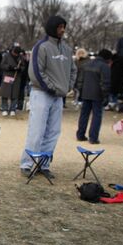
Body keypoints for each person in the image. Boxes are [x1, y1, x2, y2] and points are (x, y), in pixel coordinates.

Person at [19, 16, 76, 178]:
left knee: (53, 132)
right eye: (59, 27)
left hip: (59, 96)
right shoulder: (41, 47)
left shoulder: (67, 49)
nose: (63, 30)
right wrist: (52, 87)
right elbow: (36, 72)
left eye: (64, 27)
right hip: (41, 94)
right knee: (36, 131)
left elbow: (73, 70)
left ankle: (44, 164)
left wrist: (67, 87)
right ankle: (27, 163)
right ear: (52, 28)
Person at [76, 49, 112, 144]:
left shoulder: (86, 64)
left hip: (85, 93)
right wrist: (106, 96)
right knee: (96, 116)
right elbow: (105, 83)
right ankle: (93, 137)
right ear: (107, 58)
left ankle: (80, 134)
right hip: (98, 94)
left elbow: (80, 80)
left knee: (84, 115)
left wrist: (80, 92)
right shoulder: (105, 67)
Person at [0, 46, 23, 116]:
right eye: (15, 53)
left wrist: (20, 69)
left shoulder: (20, 57)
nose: (16, 55)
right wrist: (10, 67)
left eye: (17, 54)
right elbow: (2, 65)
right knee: (5, 93)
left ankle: (13, 109)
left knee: (15, 94)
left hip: (16, 78)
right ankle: (4, 109)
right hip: (7, 76)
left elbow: (23, 66)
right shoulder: (6, 56)